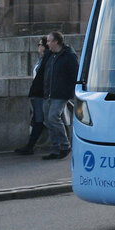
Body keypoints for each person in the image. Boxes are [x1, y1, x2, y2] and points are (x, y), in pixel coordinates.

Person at [42, 31, 79, 160]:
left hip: (60, 94)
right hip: (48, 93)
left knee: (53, 118)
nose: (47, 44)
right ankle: (56, 148)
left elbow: (75, 75)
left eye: (49, 41)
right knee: (48, 120)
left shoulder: (69, 55)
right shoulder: (51, 56)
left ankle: (65, 145)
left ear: (56, 41)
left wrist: (69, 91)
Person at [14, 37, 51, 155]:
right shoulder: (43, 59)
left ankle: (30, 146)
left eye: (40, 44)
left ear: (45, 46)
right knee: (40, 120)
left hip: (42, 94)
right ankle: (30, 146)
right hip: (39, 93)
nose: (38, 47)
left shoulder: (47, 59)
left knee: (41, 120)